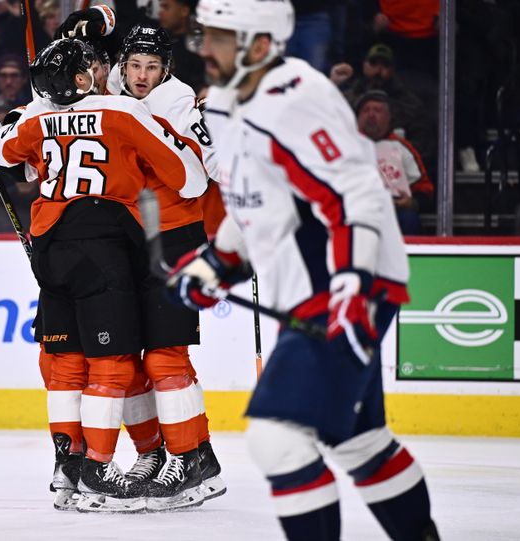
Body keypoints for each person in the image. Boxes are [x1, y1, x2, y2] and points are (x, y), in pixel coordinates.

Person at [166, 1, 440, 539]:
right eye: (208, 35)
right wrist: (217, 263)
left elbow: (355, 193)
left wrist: (353, 284)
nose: (207, 48)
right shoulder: (221, 104)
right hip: (312, 286)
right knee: (360, 440)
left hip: (344, 283)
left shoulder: (298, 98)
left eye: (222, 37)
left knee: (278, 438)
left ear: (260, 46)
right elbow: (254, 200)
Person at [0, 38, 207, 512]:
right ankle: (97, 470)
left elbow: (2, 151)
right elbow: (190, 178)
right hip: (102, 246)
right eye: (94, 66)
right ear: (82, 77)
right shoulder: (121, 111)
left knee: (65, 362)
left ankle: (66, 471)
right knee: (113, 362)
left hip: (48, 249)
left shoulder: (34, 117)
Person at [110, 23, 226, 507]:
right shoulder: (111, 89)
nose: (141, 76)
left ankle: (191, 457)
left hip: (175, 236)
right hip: (127, 237)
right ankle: (157, 453)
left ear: (167, 69)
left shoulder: (178, 101)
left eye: (152, 67)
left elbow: (215, 168)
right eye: (134, 65)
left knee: (164, 356)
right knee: (126, 360)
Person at [330, 43, 436, 171]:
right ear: (364, 65)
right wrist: (332, 84)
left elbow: (423, 144)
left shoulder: (409, 103)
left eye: (385, 65)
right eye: (373, 63)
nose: (379, 70)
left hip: (396, 168)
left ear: (392, 70)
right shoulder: (348, 97)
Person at [356, 90, 433, 235]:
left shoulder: (403, 148)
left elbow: (425, 190)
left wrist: (412, 202)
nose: (371, 115)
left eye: (377, 110)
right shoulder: (347, 146)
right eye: (366, 110)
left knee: (409, 220)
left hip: (394, 212)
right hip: (356, 210)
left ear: (389, 117)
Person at [156, 0, 206, 95]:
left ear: (184, 11)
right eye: (160, 7)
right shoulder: (157, 41)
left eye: (166, 7)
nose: (160, 12)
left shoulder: (199, 49)